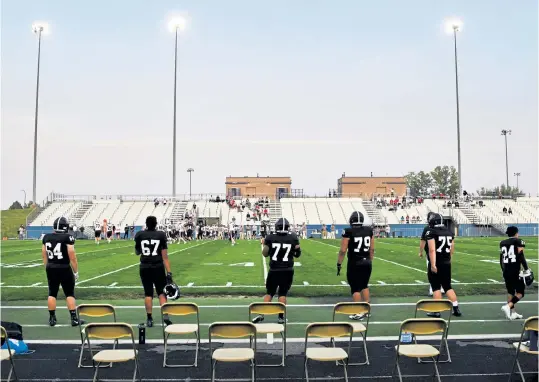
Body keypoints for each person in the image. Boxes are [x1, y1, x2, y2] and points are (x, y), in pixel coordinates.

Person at [252, 218, 300, 324]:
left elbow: (265, 253)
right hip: (287, 270)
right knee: (282, 294)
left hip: (274, 269)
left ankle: (261, 314)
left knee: (269, 293)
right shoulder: (293, 237)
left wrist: (265, 244)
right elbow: (297, 254)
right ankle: (281, 317)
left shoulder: (270, 237)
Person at [135, 216, 174, 327]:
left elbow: (137, 252)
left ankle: (149, 318)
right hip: (158, 267)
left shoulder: (139, 235)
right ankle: (165, 317)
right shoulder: (161, 235)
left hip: (144, 267)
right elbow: (165, 256)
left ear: (146, 224)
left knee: (148, 293)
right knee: (161, 292)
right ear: (156, 224)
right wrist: (169, 272)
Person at [41, 217, 81, 327]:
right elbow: (72, 256)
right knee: (69, 293)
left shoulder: (46, 237)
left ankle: (52, 319)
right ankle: (74, 319)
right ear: (66, 227)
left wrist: (47, 267)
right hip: (64, 267)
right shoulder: (68, 237)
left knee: (52, 293)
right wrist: (76, 271)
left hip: (51, 267)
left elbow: (44, 254)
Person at [336, 211, 374, 321]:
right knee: (364, 285)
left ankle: (358, 312)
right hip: (367, 262)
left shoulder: (348, 231)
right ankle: (366, 311)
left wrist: (339, 263)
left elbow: (343, 250)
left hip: (354, 263)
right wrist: (369, 260)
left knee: (355, 288)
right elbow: (372, 249)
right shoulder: (368, 230)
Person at [424, 213, 462, 317]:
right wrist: (448, 259)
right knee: (447, 286)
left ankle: (436, 310)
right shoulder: (449, 232)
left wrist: (433, 264)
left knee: (436, 287)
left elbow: (432, 250)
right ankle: (456, 308)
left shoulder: (431, 232)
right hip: (446, 262)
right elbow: (452, 249)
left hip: (437, 262)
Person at [500, 226, 531, 320]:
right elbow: (521, 256)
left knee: (510, 291)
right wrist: (526, 269)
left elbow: (501, 259)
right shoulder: (518, 241)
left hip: (506, 270)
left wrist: (503, 270)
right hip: (515, 270)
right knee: (520, 292)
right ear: (516, 233)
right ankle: (508, 306)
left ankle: (513, 313)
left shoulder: (502, 243)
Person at [419, 212, 444, 296]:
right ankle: (442, 288)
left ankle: (433, 289)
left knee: (432, 272)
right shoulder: (443, 229)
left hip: (431, 254)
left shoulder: (427, 229)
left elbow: (423, 240)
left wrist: (420, 251)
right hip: (442, 254)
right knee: (441, 271)